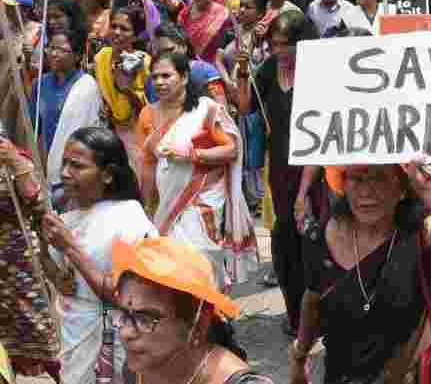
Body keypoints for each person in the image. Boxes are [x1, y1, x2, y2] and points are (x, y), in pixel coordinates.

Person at [290, 159, 431, 384]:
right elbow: (312, 300)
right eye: (357, 179)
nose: (366, 191)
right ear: (343, 184)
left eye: (379, 178)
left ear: (403, 187)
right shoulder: (325, 235)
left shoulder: (426, 235)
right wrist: (299, 356)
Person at [40, 127, 158, 384]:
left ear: (107, 174)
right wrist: (52, 264)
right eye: (64, 163)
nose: (65, 173)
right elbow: (60, 277)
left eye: (77, 166)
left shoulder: (129, 219)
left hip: (114, 338)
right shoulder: (68, 218)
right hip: (75, 334)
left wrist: (70, 247)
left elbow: (126, 297)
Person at [236, 11, 326, 335]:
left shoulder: (318, 73)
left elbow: (319, 139)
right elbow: (245, 106)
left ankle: (318, 316)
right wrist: (242, 71)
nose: (280, 51)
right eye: (274, 44)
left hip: (314, 174)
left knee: (312, 245)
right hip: (280, 171)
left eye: (287, 44)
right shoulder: (269, 69)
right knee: (285, 245)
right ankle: (296, 316)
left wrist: (304, 193)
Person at [138, 53, 259, 285]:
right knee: (173, 274)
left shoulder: (205, 109)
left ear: (184, 77)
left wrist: (193, 155)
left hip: (201, 203)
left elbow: (231, 150)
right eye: (155, 77)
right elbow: (148, 164)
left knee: (201, 268)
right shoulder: (148, 114)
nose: (159, 82)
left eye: (166, 76)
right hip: (166, 204)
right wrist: (147, 207)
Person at [112, 237, 272, 384]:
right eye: (123, 315)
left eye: (145, 319)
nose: (125, 333)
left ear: (199, 324)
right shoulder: (137, 370)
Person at [0, 130, 60, 379]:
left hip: (19, 269)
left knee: (41, 336)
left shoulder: (12, 159)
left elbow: (41, 208)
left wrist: (16, 162)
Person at [29, 25, 102, 195]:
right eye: (51, 48)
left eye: (62, 50)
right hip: (47, 171)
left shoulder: (87, 86)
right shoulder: (40, 84)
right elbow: (35, 130)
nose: (54, 54)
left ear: (77, 56)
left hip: (79, 171)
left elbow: (88, 134)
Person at [94, 6, 151, 173]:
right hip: (111, 132)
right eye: (113, 26)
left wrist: (126, 90)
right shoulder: (101, 57)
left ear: (135, 36)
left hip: (139, 135)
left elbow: (151, 111)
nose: (117, 32)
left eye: (124, 29)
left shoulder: (144, 63)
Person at [145, 24, 227, 106]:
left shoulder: (205, 71)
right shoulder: (151, 82)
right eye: (159, 53)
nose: (165, 56)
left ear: (184, 47)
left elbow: (221, 108)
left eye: (170, 50)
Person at [178, 0, 231, 64]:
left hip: (214, 66)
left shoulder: (223, 14)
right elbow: (178, 41)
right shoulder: (184, 14)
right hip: (187, 64)